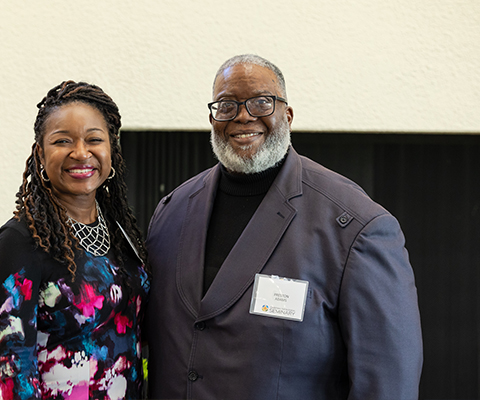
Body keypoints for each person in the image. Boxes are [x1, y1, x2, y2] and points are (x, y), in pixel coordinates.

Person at [145, 54, 423, 399]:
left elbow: (388, 384)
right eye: (227, 105)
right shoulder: (171, 212)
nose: (243, 116)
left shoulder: (356, 226)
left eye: (262, 102)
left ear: (287, 115)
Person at [0, 81, 150, 400]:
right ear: (40, 153)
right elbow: (15, 373)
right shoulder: (19, 243)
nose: (81, 153)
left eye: (94, 140)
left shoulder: (119, 233)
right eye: (63, 141)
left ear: (111, 151)